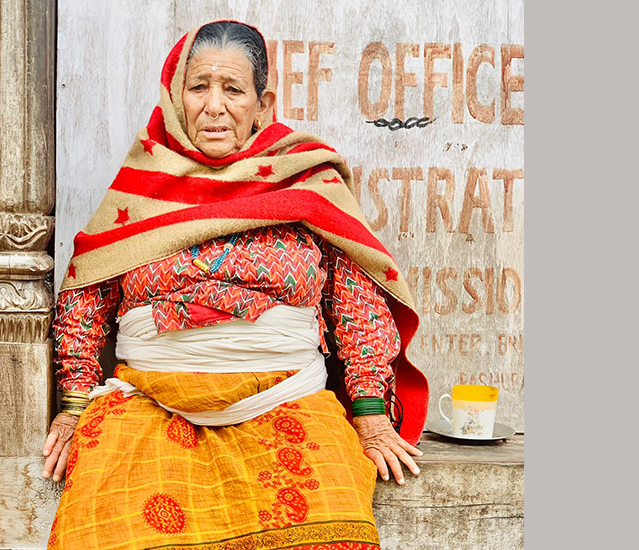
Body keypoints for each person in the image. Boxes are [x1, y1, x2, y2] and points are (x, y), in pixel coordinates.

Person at [42, 20, 429, 550]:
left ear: (262, 104)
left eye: (233, 89)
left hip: (287, 400)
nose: (214, 106)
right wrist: (72, 407)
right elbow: (88, 293)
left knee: (333, 523)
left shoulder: (305, 181)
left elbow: (357, 304)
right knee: (106, 521)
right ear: (177, 97)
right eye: (198, 87)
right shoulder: (142, 183)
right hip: (150, 404)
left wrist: (368, 415)